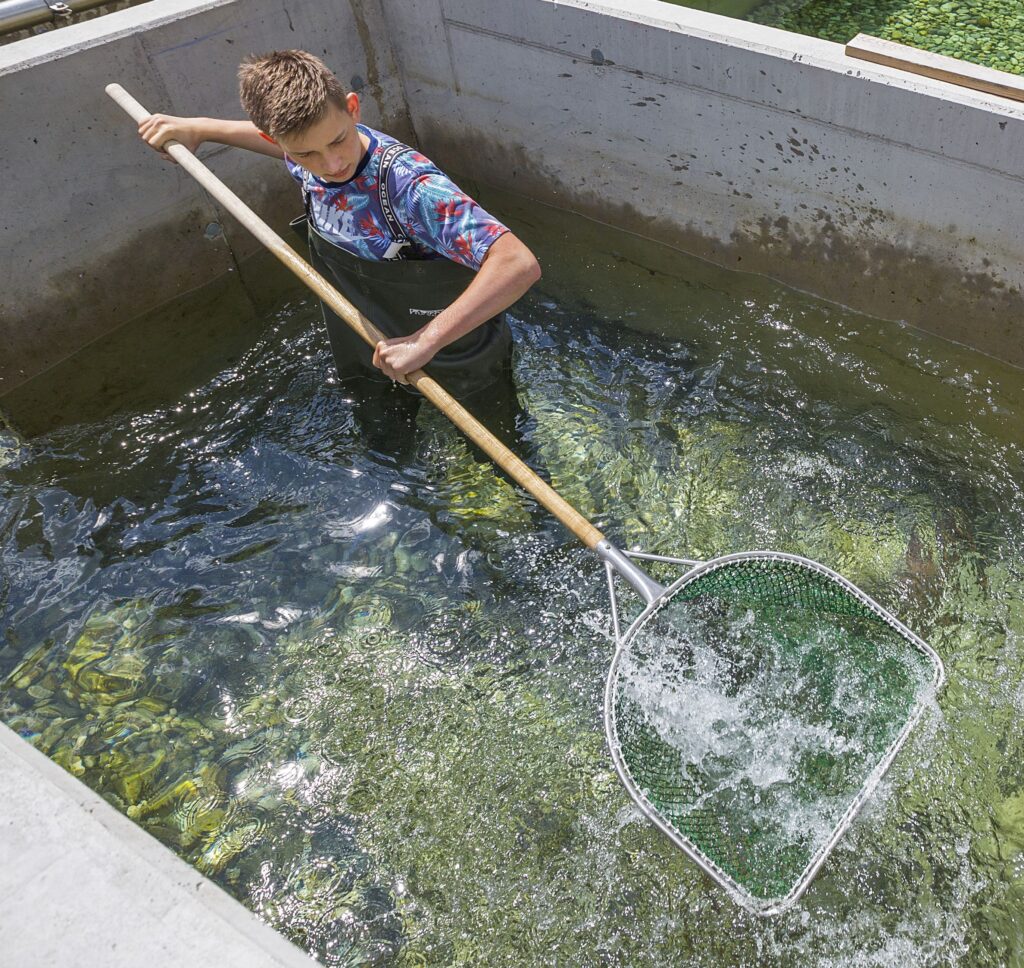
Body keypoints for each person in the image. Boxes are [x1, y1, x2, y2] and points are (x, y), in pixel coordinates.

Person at [137, 49, 541, 457]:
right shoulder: (305, 158)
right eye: (305, 154)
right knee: (385, 446)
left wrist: (426, 341)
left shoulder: (410, 188)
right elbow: (297, 145)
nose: (331, 164)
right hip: (365, 341)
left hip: (455, 354)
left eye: (337, 141)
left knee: (496, 450)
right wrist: (201, 129)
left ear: (352, 108)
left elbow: (517, 262)